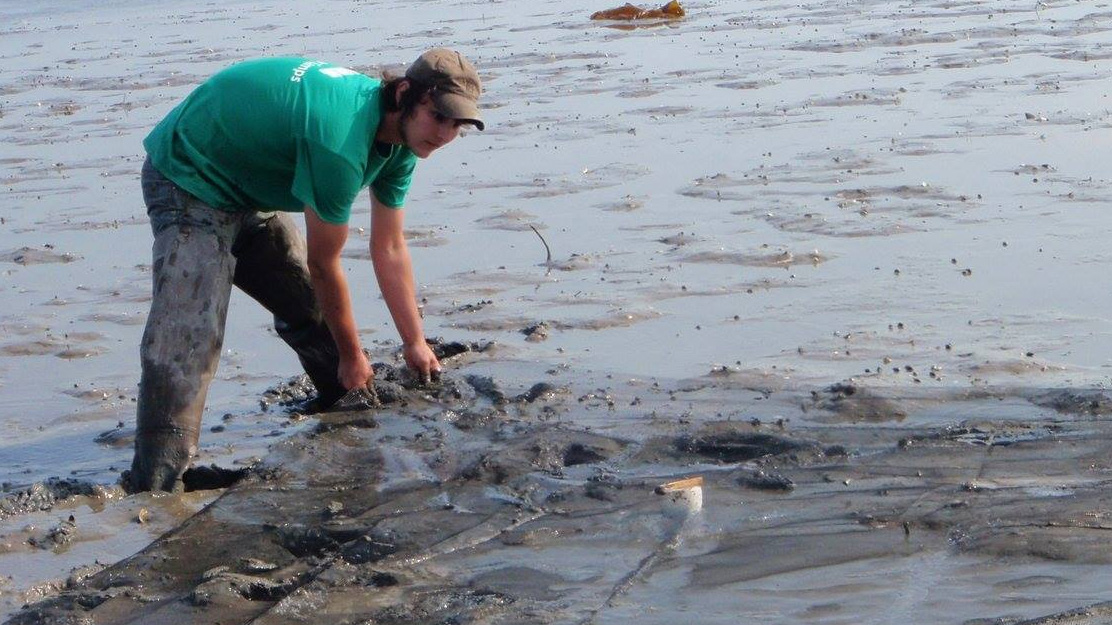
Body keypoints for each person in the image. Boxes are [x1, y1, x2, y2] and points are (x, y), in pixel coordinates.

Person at [127, 48, 484, 492]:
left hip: (251, 186)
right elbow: (324, 262)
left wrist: (415, 342)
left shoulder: (405, 143)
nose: (446, 133)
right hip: (189, 176)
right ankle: (157, 481)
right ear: (404, 94)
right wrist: (356, 356)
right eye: (439, 117)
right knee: (189, 332)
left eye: (458, 124)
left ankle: (344, 400)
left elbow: (389, 247)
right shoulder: (340, 140)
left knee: (305, 303)